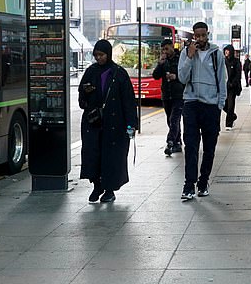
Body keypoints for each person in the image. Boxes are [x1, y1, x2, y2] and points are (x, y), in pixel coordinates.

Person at [79, 39, 139, 203]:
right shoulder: (91, 71)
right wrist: (86, 93)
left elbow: (128, 101)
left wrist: (131, 125)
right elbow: (81, 98)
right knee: (94, 156)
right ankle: (97, 185)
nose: (99, 58)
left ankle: (109, 189)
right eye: (96, 55)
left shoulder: (119, 73)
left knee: (111, 158)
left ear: (109, 54)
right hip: (94, 124)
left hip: (114, 125)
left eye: (102, 55)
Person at [178, 21, 227, 200]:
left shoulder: (216, 54)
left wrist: (220, 105)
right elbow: (182, 78)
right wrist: (190, 57)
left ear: (208, 34)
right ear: (193, 36)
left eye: (203, 35)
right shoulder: (186, 53)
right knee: (190, 146)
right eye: (196, 36)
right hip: (191, 103)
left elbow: (222, 80)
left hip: (210, 106)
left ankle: (203, 182)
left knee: (209, 147)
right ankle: (188, 185)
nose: (200, 39)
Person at [151, 38, 184, 156]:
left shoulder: (180, 57)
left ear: (171, 46)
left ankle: (170, 142)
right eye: (163, 50)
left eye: (166, 49)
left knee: (174, 119)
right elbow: (155, 76)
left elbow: (186, 75)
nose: (165, 51)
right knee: (170, 120)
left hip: (178, 94)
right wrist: (159, 64)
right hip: (166, 95)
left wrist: (176, 77)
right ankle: (177, 142)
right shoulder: (163, 61)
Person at [223, 45, 243, 130]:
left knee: (231, 105)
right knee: (223, 105)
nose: (226, 52)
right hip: (223, 86)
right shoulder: (223, 61)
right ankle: (232, 116)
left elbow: (238, 74)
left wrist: (232, 83)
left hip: (232, 87)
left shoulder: (236, 62)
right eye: (225, 51)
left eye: (227, 51)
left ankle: (228, 124)